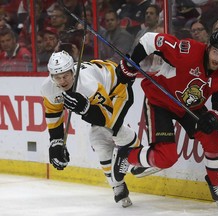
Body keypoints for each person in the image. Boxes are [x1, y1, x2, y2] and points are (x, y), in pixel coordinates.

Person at [112, 28, 218, 208]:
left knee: (214, 140)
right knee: (167, 158)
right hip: (160, 101)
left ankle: (217, 188)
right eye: (215, 51)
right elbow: (150, 40)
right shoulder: (188, 51)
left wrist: (213, 117)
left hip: (189, 107)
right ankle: (126, 155)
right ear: (208, 47)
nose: (217, 58)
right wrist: (132, 63)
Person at [40, 49, 147, 208]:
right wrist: (55, 141)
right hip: (100, 91)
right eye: (57, 77)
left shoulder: (87, 85)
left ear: (73, 72)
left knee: (112, 127)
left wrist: (86, 109)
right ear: (51, 76)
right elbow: (53, 113)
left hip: (117, 86)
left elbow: (107, 114)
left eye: (66, 76)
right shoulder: (48, 88)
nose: (62, 81)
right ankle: (117, 185)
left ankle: (143, 156)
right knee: (97, 138)